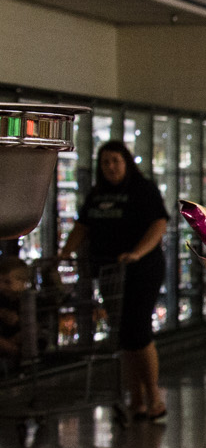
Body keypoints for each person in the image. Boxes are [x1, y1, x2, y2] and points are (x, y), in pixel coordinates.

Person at [59, 140, 170, 420]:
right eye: (105, 162)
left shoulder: (142, 190)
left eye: (115, 161)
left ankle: (153, 396)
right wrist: (63, 255)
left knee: (139, 332)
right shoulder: (97, 194)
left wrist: (136, 253)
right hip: (110, 273)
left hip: (142, 271)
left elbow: (159, 224)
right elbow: (82, 227)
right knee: (122, 336)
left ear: (126, 162)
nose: (110, 167)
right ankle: (135, 399)